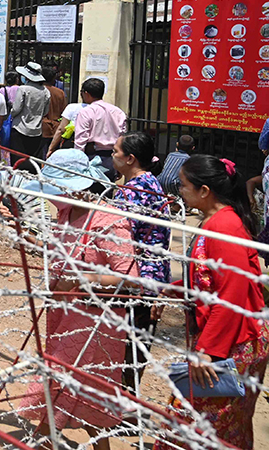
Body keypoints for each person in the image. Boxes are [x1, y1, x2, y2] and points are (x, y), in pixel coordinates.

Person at [20, 149, 139, 450]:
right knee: (80, 391)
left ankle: (42, 441)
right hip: (65, 314)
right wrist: (25, 237)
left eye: (57, 188)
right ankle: (93, 445)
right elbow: (59, 253)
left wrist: (86, 280)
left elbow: (128, 276)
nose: (53, 195)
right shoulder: (66, 212)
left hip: (95, 320)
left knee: (62, 381)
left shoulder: (108, 220)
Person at [154, 155, 269, 450]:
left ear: (204, 191)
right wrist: (177, 288)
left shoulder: (224, 226)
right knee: (214, 426)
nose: (179, 190)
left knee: (203, 424)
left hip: (234, 341)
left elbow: (232, 290)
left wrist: (208, 352)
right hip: (228, 336)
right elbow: (212, 277)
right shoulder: (216, 220)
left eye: (184, 185)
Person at [111, 131, 168, 392]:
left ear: (130, 159)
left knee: (130, 343)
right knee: (135, 342)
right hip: (148, 275)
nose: (112, 156)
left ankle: (125, 401)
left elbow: (119, 233)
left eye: (115, 152)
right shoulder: (147, 183)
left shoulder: (136, 190)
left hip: (138, 277)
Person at [74, 77, 127, 178]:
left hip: (91, 157)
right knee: (107, 190)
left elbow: (80, 141)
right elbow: (122, 138)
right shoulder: (118, 112)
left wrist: (78, 164)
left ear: (86, 93)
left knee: (89, 191)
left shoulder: (86, 112)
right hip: (112, 158)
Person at [9, 62, 50, 159]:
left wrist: (11, 113)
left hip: (20, 128)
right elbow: (45, 111)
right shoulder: (45, 91)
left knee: (18, 160)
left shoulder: (23, 89)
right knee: (33, 160)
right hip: (36, 131)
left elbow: (16, 109)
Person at [41, 64, 67, 147]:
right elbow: (64, 112)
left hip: (40, 128)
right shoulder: (60, 93)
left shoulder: (38, 91)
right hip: (55, 129)